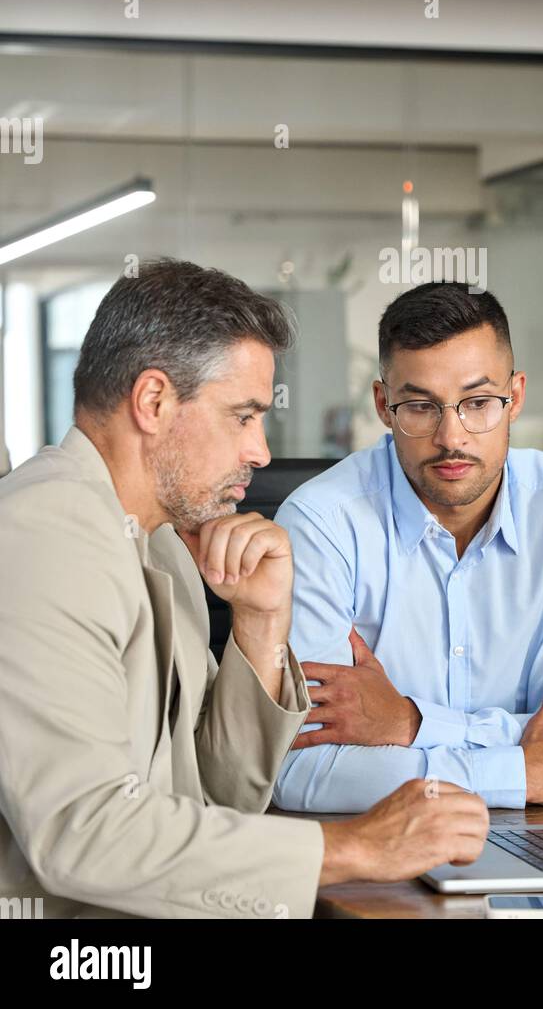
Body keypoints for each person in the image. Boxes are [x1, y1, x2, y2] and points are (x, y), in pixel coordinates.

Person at [0, 259, 488, 919]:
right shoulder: (47, 533)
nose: (259, 450)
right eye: (243, 416)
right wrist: (352, 848)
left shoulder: (162, 545)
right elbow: (84, 832)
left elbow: (217, 800)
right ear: (153, 402)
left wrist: (259, 624)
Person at [273, 281, 543, 814]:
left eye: (479, 403)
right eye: (420, 407)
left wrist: (408, 723)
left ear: (517, 397)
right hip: (382, 855)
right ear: (383, 405)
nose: (451, 438)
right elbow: (303, 770)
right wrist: (519, 772)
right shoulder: (321, 523)